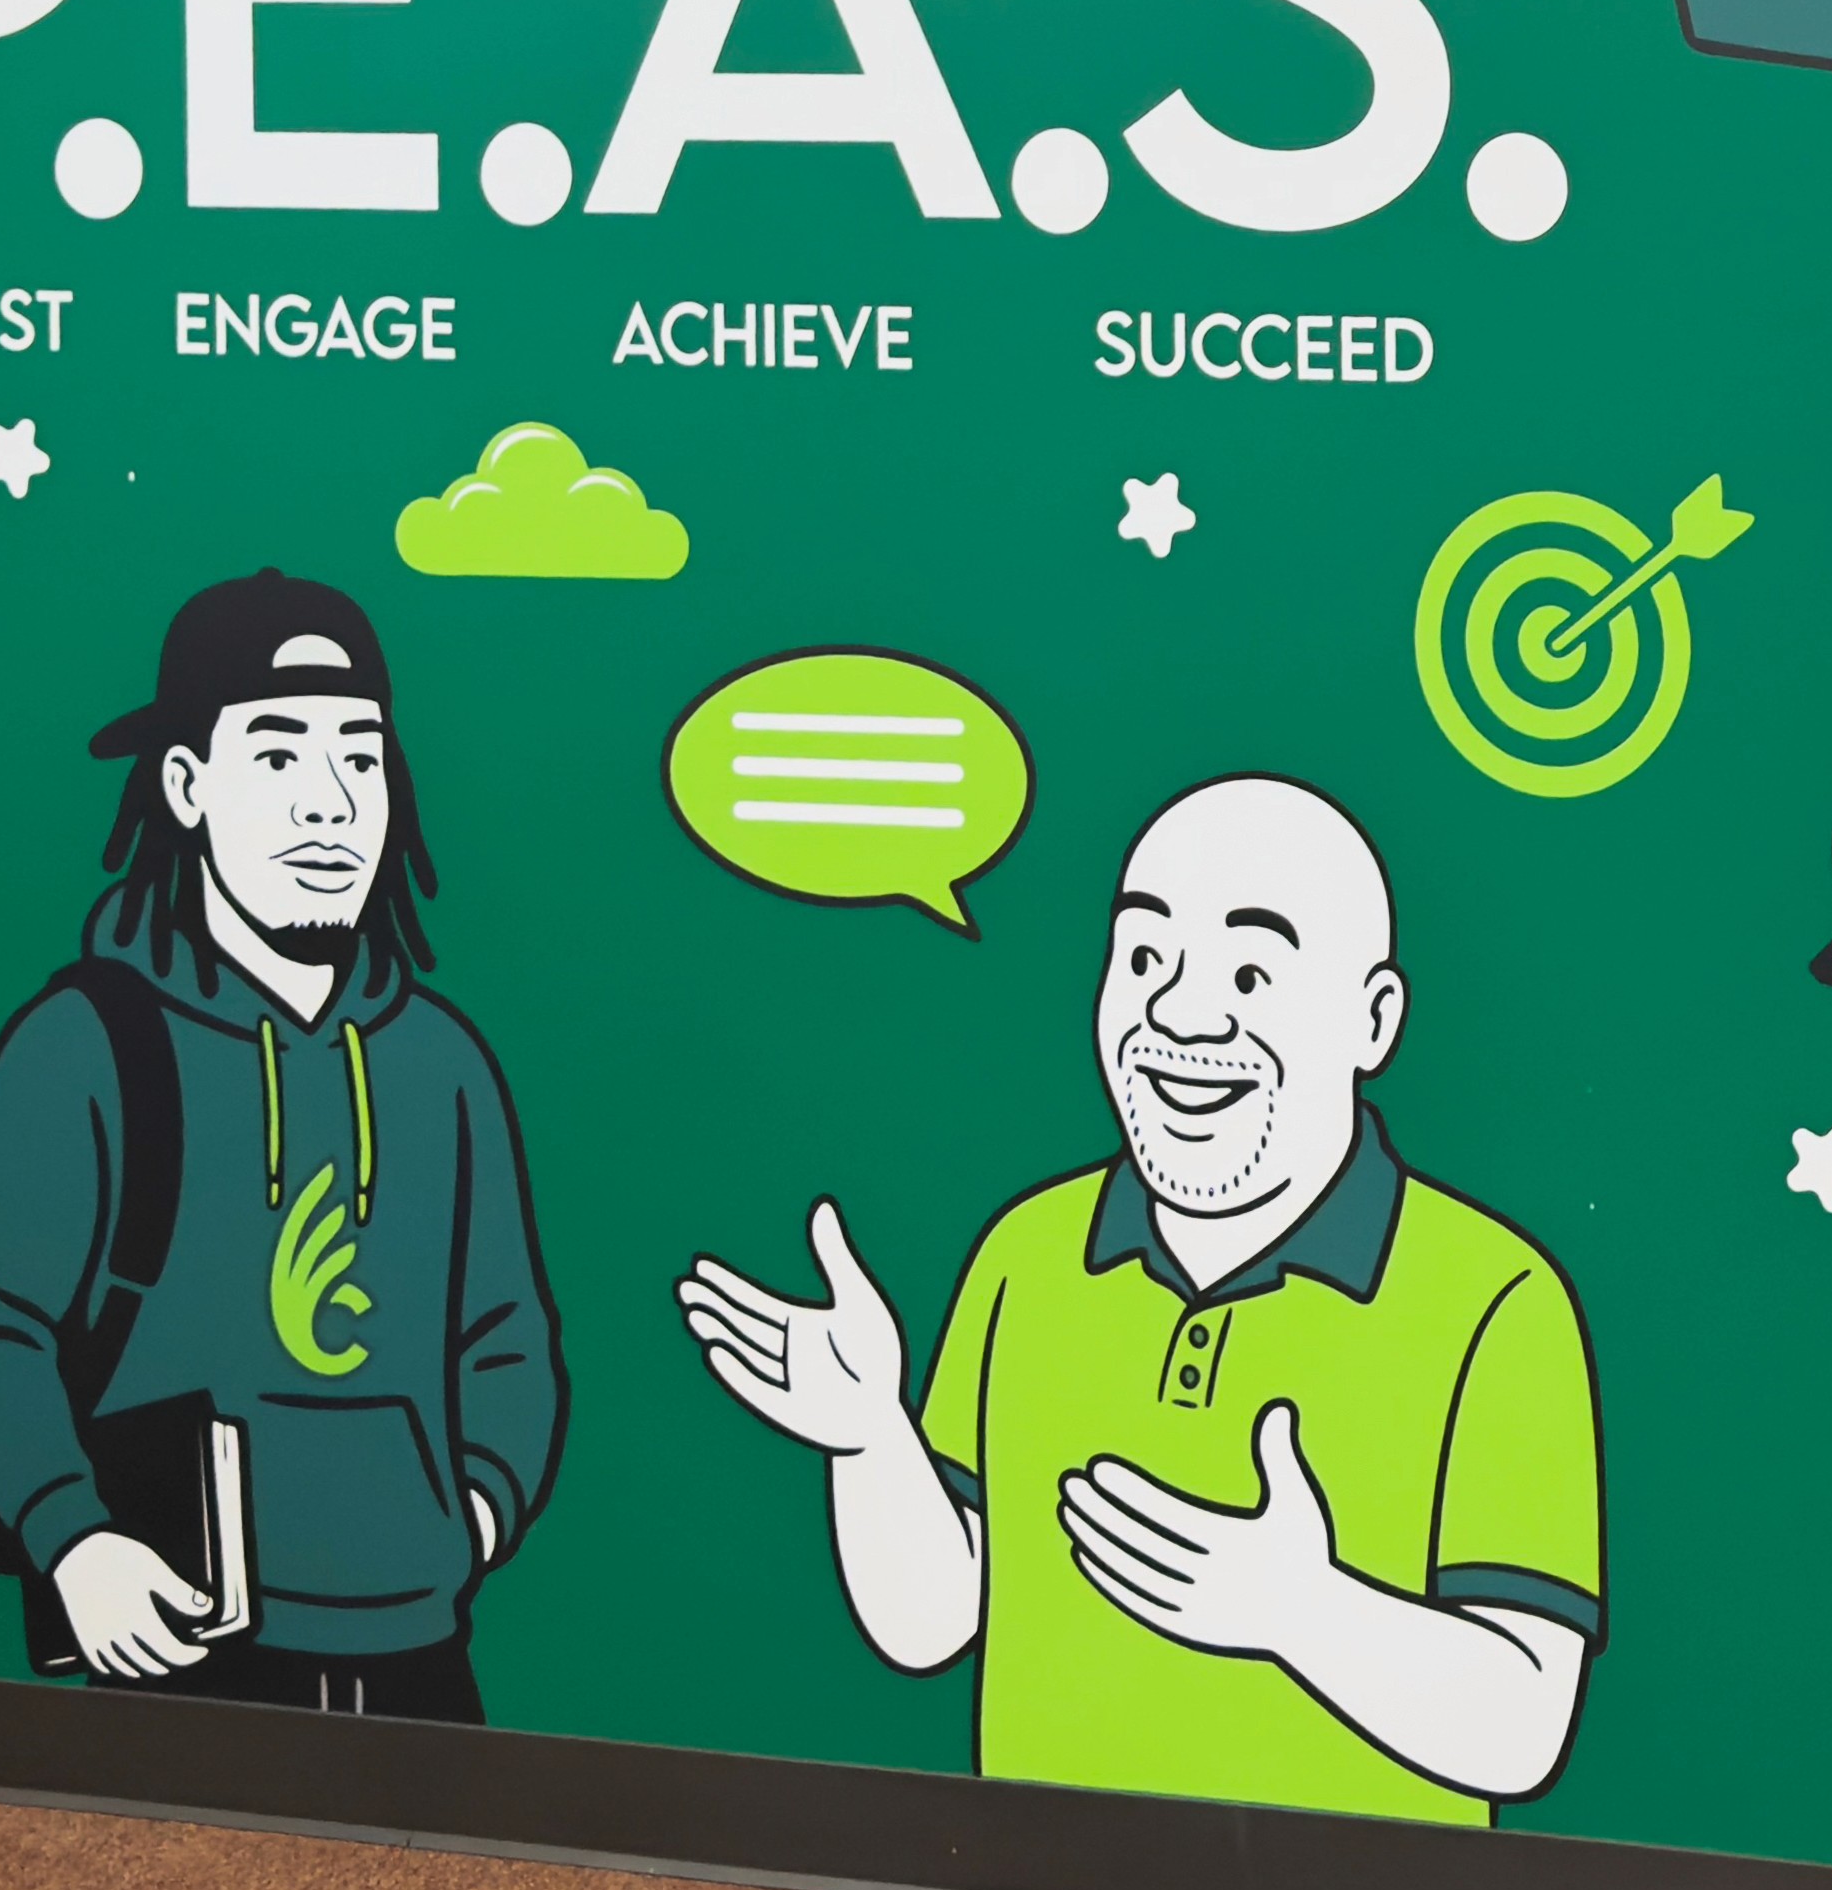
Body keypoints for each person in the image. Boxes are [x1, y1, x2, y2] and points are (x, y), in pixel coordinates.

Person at [680, 779, 1599, 1825]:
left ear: (1372, 1019)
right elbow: (933, 1621)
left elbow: (1523, 1728)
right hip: (1036, 1884)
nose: (1180, 1014)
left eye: (1251, 972)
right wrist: (867, 1437)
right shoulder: (1028, 1251)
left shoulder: (1494, 1299)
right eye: (1146, 958)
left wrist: (1300, 1611)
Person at [0, 573, 563, 1718]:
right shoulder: (83, 1044)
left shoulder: (442, 1060)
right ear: (186, 784)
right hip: (174, 1635)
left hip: (420, 1643)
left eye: (358, 757)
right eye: (275, 755)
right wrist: (75, 1542)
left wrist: (468, 1515)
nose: (328, 805)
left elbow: (505, 1332)